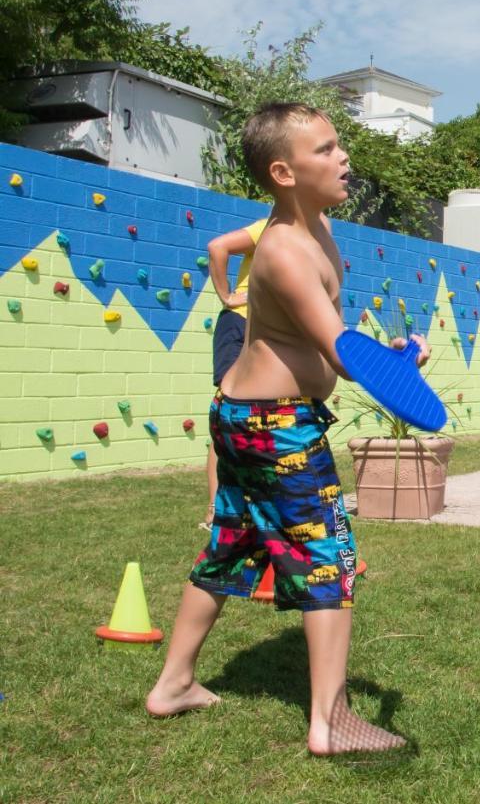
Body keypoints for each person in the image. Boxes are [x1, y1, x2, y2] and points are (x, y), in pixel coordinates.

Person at [146, 103, 427, 757]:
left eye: (339, 145)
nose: (343, 157)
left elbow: (332, 327)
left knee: (229, 543)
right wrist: (389, 370)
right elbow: (336, 349)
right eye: (326, 149)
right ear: (284, 171)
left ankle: (175, 682)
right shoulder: (283, 251)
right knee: (328, 556)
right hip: (274, 425)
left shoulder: (318, 225)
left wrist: (391, 353)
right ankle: (332, 723)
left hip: (247, 416)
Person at [202, 219, 269, 527]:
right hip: (240, 323)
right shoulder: (270, 226)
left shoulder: (311, 237)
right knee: (230, 415)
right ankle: (216, 510)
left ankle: (251, 507)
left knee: (261, 416)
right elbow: (218, 246)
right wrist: (227, 296)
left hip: (267, 331)